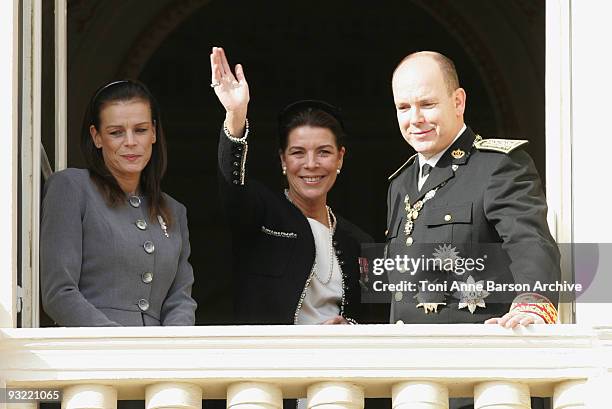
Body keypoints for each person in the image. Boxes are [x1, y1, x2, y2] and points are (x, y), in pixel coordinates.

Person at [385, 51, 559, 408]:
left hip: (480, 381)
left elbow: (529, 239)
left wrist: (534, 302)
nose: (415, 119)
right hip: (413, 382)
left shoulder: (497, 166)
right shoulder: (400, 183)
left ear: (458, 101)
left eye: (427, 104)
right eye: (404, 107)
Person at [211, 46, 375, 325]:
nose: (311, 164)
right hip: (271, 365)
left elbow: (379, 320)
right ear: (283, 160)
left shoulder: (360, 242)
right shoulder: (261, 212)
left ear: (340, 158)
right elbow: (232, 188)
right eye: (298, 153)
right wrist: (235, 116)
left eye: (323, 152)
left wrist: (351, 328)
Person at [41, 79, 197, 327]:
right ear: (97, 137)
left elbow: (180, 300)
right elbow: (58, 293)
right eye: (116, 132)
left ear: (154, 133)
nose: (131, 142)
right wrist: (117, 344)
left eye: (141, 130)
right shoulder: (71, 188)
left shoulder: (174, 210)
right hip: (95, 355)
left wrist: (172, 347)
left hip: (159, 359)